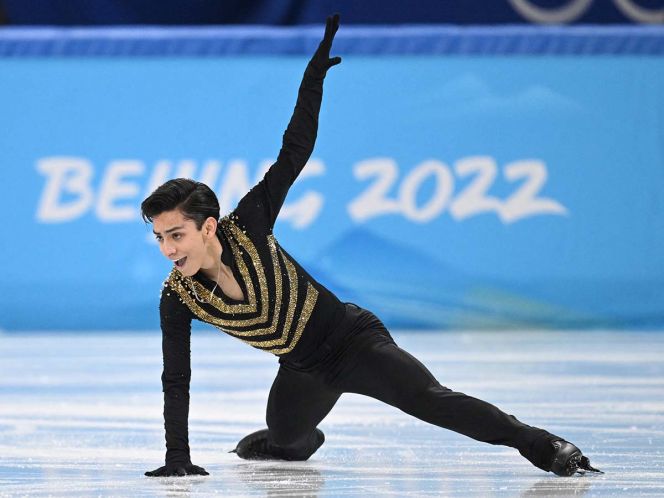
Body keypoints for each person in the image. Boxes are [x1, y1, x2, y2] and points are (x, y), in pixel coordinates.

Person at [141, 14, 601, 478]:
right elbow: (176, 379)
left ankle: (545, 446)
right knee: (283, 437)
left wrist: (312, 80)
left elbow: (293, 152)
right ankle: (297, 443)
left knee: (429, 400)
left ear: (208, 228)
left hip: (353, 340)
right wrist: (177, 458)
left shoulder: (249, 225)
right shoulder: (179, 297)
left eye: (175, 235)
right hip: (301, 368)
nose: (167, 249)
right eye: (159, 237)